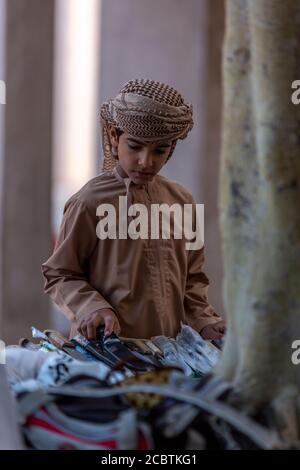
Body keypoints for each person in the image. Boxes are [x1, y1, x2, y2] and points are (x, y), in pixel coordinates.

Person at [42, 78, 225, 341]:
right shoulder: (89, 202)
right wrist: (92, 307)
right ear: (114, 136)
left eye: (159, 150)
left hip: (172, 357)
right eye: (135, 146)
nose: (146, 161)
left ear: (171, 148)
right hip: (106, 355)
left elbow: (193, 280)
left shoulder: (182, 201)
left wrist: (205, 321)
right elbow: (60, 274)